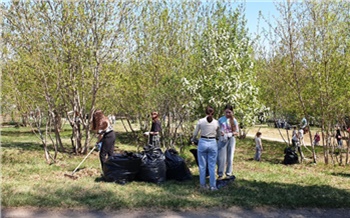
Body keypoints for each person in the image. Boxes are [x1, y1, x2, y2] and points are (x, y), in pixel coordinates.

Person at [191, 106, 220, 191]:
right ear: (213, 113)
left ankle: (202, 185)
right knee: (212, 165)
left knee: (202, 166)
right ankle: (213, 186)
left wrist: (193, 139)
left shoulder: (201, 121)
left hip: (203, 142)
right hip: (213, 142)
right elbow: (218, 134)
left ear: (205, 112)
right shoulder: (216, 122)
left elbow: (195, 133)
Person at [217, 104, 239, 179]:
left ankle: (228, 173)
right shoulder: (220, 120)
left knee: (230, 157)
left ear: (232, 112)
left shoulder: (234, 120)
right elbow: (217, 130)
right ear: (224, 112)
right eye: (226, 112)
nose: (228, 114)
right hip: (222, 139)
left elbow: (237, 132)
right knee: (221, 157)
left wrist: (231, 134)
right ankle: (220, 173)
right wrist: (220, 133)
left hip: (231, 139)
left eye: (229, 112)